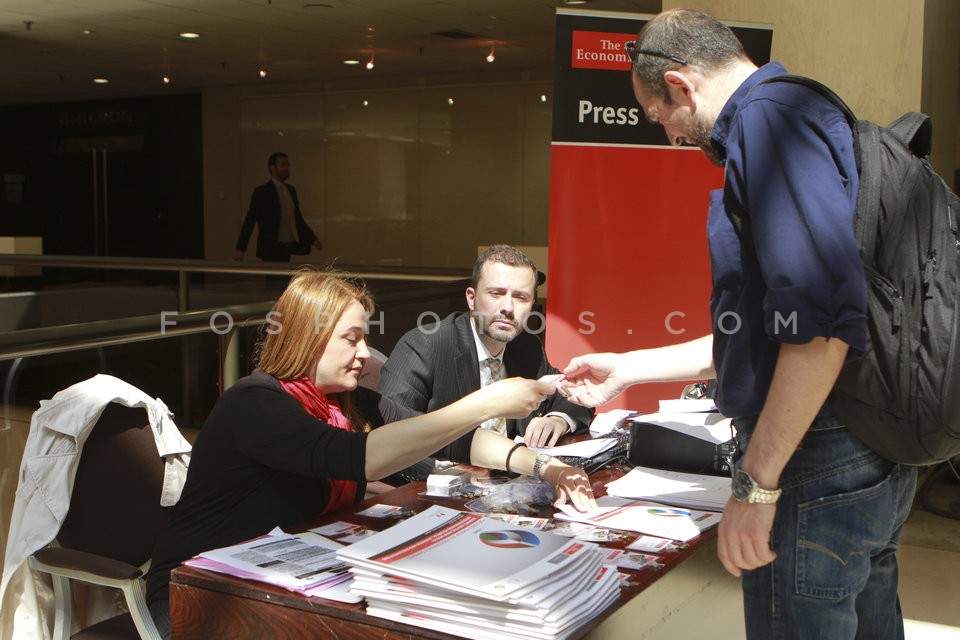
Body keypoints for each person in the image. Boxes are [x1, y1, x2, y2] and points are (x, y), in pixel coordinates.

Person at [560, 9, 917, 640]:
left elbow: (818, 334)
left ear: (680, 84)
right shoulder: (803, 116)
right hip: (863, 448)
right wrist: (630, 368)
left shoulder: (769, 124)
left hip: (816, 457)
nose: (672, 137)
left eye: (659, 117)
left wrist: (757, 487)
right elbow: (774, 330)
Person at [144, 269, 596, 639]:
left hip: (291, 582)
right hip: (196, 596)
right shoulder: (254, 403)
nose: (365, 354)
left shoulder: (347, 400)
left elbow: (449, 438)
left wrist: (544, 465)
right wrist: (487, 402)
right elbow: (360, 458)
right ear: (307, 337)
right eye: (351, 339)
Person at [379, 245, 593, 485]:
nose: (508, 307)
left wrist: (557, 419)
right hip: (442, 492)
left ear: (532, 304)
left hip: (515, 487)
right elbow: (388, 435)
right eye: (496, 293)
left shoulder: (526, 346)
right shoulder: (425, 346)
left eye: (520, 297)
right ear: (471, 298)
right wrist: (452, 475)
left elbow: (569, 393)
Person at [234, 152, 323, 262]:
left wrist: (312, 239)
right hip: (271, 247)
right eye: (283, 165)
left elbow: (296, 218)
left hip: (288, 246)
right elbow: (250, 220)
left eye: (288, 165)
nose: (287, 168)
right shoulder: (262, 192)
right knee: (272, 272)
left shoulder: (290, 190)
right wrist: (241, 248)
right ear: (273, 168)